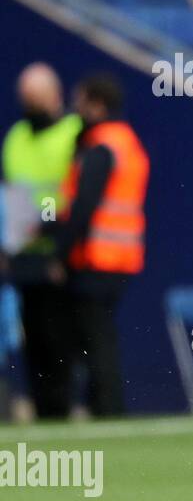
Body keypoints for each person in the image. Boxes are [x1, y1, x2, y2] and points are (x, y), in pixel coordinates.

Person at [42, 74, 149, 418]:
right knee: (99, 337)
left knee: (94, 340)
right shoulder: (128, 142)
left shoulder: (101, 146)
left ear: (97, 104)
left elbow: (84, 206)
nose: (76, 107)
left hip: (97, 257)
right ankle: (104, 406)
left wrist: (58, 254)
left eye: (81, 100)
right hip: (123, 257)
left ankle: (107, 409)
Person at [1, 63, 81, 418]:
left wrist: (45, 224)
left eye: (36, 98)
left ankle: (62, 407)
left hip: (60, 249)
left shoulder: (71, 133)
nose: (30, 105)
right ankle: (43, 410)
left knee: (59, 338)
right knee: (31, 337)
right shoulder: (17, 135)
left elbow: (64, 191)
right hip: (21, 251)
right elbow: (9, 189)